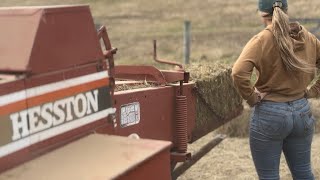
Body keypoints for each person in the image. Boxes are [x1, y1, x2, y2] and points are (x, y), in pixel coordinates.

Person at [232, 0, 319, 179]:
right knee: (303, 173)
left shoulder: (261, 40)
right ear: (286, 10)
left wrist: (251, 97)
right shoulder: (308, 37)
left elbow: (238, 72)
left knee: (269, 177)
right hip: (302, 111)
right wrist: (312, 91)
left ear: (261, 14)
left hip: (270, 113)